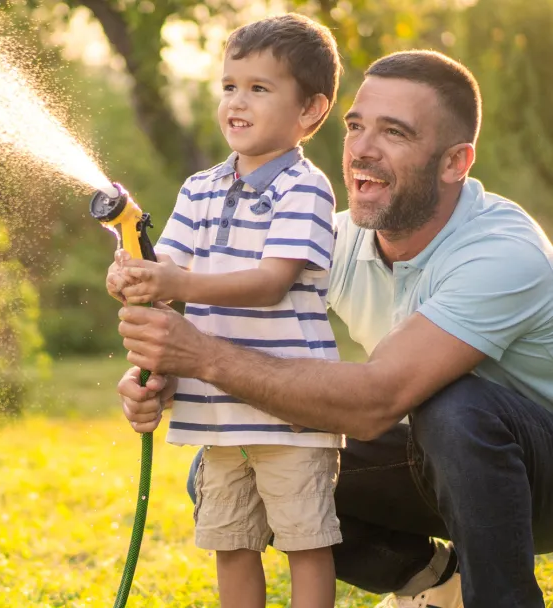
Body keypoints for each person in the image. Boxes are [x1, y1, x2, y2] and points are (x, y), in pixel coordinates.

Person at [114, 49, 553, 608]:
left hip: (543, 475)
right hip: (445, 466)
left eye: (394, 132)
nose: (362, 150)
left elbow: (377, 400)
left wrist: (201, 355)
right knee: (240, 460)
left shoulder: (503, 252)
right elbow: (251, 333)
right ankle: (440, 584)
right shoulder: (332, 240)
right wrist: (165, 375)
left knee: (457, 408)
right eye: (355, 126)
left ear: (455, 163)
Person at [105, 13, 343, 608]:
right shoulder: (199, 188)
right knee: (230, 543)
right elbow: (168, 276)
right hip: (216, 414)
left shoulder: (303, 188)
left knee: (305, 544)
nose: (238, 102)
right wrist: (129, 272)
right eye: (230, 86)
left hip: (293, 416)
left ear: (310, 111)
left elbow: (270, 282)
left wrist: (173, 277)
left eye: (260, 89)